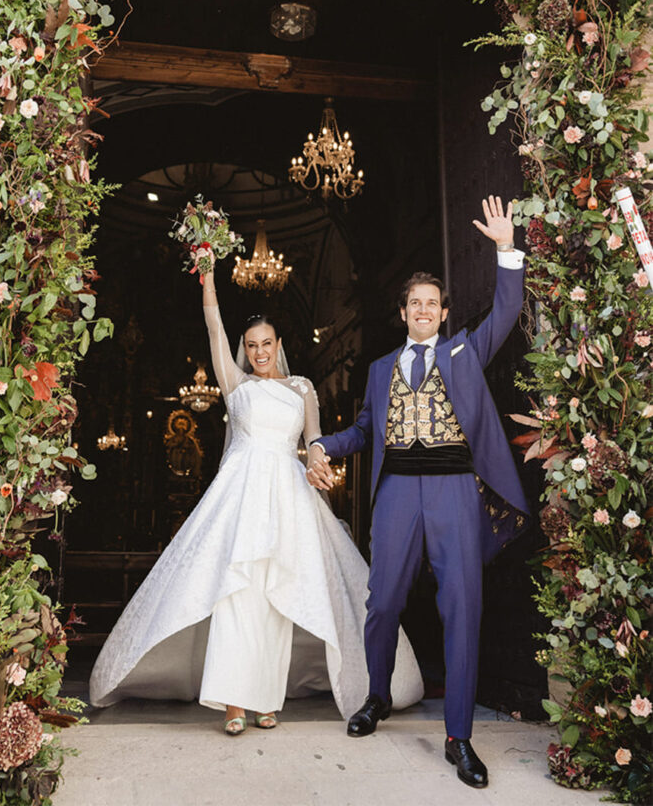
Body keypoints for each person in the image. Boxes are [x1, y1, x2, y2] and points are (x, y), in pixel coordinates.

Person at [89, 260, 424, 734]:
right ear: (245, 351)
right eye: (252, 346)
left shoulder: (302, 388)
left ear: (279, 346)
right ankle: (232, 703)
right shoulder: (235, 384)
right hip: (241, 497)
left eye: (267, 344)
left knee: (276, 596)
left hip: (288, 498)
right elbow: (213, 329)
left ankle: (267, 698)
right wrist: (208, 281)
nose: (260, 351)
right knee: (236, 594)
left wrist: (318, 464)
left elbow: (313, 442)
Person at [306, 196, 529, 788]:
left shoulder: (465, 352)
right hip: (399, 490)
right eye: (415, 303)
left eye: (433, 303)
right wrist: (324, 445)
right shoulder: (380, 369)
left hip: (455, 487)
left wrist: (506, 250)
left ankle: (459, 738)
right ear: (403, 312)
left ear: (445, 312)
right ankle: (376, 696)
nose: (424, 310)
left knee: (462, 606)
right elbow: (362, 430)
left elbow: (506, 313)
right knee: (382, 604)